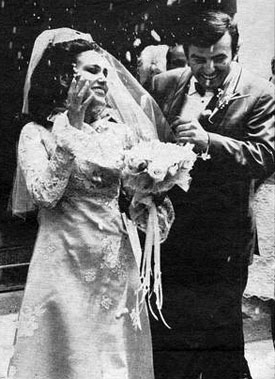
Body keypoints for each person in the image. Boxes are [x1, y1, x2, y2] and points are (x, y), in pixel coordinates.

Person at [8, 28, 174, 379]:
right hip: (63, 258)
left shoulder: (118, 132)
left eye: (104, 71)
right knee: (70, 355)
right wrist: (73, 127)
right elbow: (44, 194)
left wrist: (151, 198)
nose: (104, 78)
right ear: (63, 77)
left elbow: (128, 198)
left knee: (112, 354)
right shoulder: (36, 133)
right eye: (92, 71)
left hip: (114, 259)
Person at [151, 11, 275, 379]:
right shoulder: (162, 83)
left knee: (219, 344)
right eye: (197, 59)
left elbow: (264, 157)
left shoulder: (259, 94)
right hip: (169, 239)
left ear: (235, 52)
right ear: (185, 54)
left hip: (224, 240)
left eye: (219, 59)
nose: (207, 69)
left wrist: (210, 142)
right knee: (170, 342)